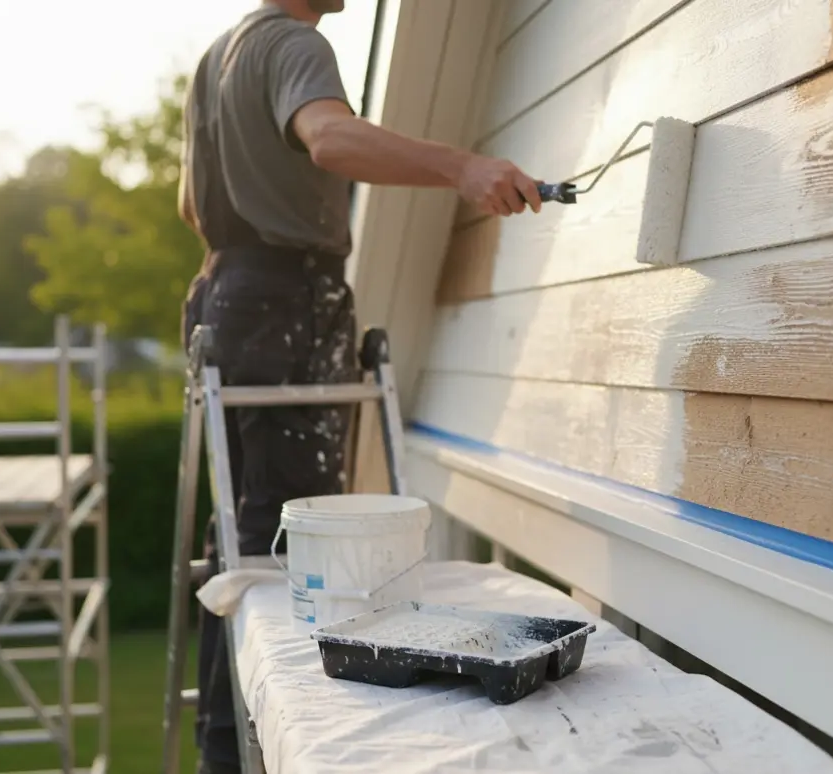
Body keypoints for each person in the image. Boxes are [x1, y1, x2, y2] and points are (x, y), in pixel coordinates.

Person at [177, 1, 542, 771]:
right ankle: (262, 753)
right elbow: (330, 137)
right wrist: (462, 167)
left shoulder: (218, 57)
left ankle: (219, 749)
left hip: (225, 295)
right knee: (295, 547)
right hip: (288, 302)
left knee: (240, 541)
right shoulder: (293, 45)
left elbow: (189, 204)